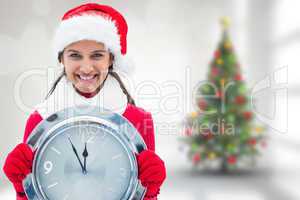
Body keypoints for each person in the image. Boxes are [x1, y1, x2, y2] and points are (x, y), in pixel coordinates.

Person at [3, 3, 166, 200]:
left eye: (97, 55)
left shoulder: (137, 119)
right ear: (61, 59)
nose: (86, 67)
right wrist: (22, 187)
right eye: (75, 55)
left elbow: (141, 194)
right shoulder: (40, 119)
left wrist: (149, 192)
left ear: (111, 59)